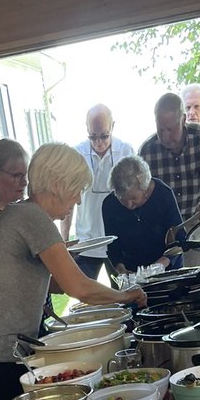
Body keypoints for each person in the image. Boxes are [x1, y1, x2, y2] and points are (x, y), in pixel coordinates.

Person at [0, 142, 146, 400]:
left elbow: (57, 282)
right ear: (58, 184)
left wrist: (106, 299)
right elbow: (78, 287)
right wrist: (125, 295)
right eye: (77, 190)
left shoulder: (21, 214)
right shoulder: (33, 217)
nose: (78, 201)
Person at [61, 105, 134, 281]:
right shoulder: (77, 154)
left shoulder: (126, 151)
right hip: (86, 241)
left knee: (125, 293)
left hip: (119, 241)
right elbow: (68, 201)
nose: (99, 142)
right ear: (86, 129)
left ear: (113, 126)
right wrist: (64, 242)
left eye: (104, 136)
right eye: (93, 137)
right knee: (84, 297)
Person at [139, 92, 200, 217]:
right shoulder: (147, 152)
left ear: (183, 119)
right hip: (166, 226)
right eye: (161, 129)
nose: (166, 137)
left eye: (171, 129)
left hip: (199, 221)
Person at [102, 156, 182, 275]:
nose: (129, 205)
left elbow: (179, 238)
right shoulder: (110, 204)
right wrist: (119, 266)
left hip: (166, 267)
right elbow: (113, 246)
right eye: (122, 200)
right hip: (130, 270)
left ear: (145, 189)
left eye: (133, 198)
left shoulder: (163, 194)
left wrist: (159, 266)